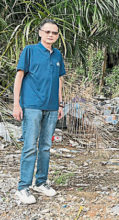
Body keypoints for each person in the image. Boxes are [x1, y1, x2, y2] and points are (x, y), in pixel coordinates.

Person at [13, 19, 66, 204]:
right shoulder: (29, 51)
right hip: (32, 106)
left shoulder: (58, 55)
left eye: (55, 33)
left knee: (45, 147)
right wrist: (16, 104)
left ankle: (41, 182)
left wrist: (60, 104)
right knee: (29, 146)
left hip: (51, 107)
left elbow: (59, 80)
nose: (51, 35)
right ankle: (23, 187)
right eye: (48, 32)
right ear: (40, 33)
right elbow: (19, 77)